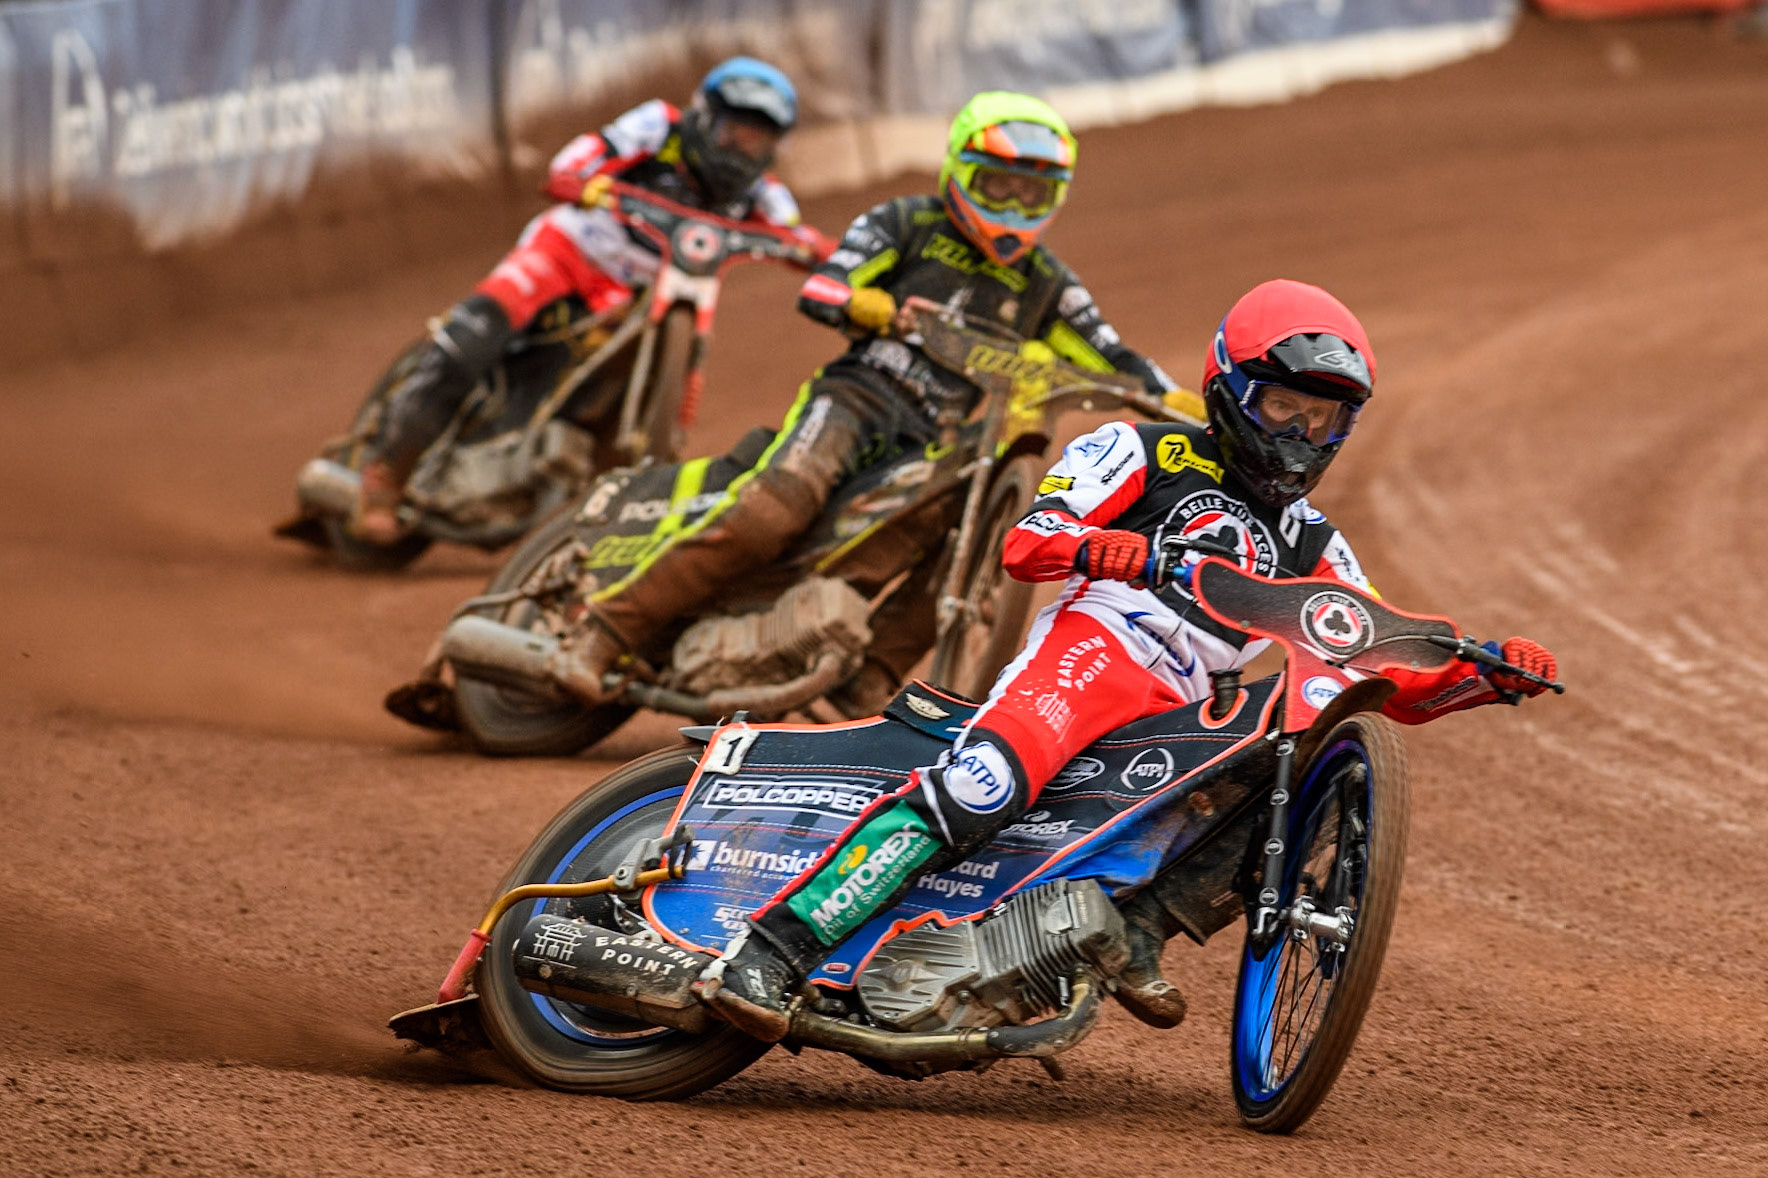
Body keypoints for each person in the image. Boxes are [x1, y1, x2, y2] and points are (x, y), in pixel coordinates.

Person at [694, 277, 1561, 1042]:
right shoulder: (1144, 449)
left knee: (1291, 777)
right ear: (1229, 390)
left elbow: (1372, 650)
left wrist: (1481, 677)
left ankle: (1132, 929)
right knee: (983, 786)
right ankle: (765, 954)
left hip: (1188, 707)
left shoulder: (1315, 541)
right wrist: (1112, 552)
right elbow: (1027, 542)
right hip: (1096, 650)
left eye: (1323, 417)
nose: (1300, 433)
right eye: (1283, 407)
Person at [554, 90, 1177, 715]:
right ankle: (605, 632)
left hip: (945, 440)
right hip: (859, 398)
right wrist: (863, 303)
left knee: (969, 534)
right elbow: (826, 284)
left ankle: (869, 680)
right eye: (998, 187)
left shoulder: (1048, 283)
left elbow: (1114, 357)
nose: (1014, 209)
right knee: (775, 506)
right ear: (959, 171)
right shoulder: (905, 223)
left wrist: (1179, 400)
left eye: (1032, 195)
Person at [351, 56, 824, 544]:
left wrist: (833, 258)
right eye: (733, 131)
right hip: (570, 252)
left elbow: (800, 238)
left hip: (643, 297)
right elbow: (583, 155)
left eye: (757, 140)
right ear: (704, 116)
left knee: (631, 398)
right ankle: (385, 474)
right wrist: (577, 179)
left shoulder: (763, 196)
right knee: (478, 333)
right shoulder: (659, 127)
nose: (740, 150)